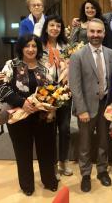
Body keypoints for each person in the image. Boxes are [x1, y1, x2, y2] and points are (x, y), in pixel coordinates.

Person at [0, 34, 58, 196]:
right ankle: (27, 185)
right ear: (21, 48)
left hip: (43, 117)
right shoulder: (11, 65)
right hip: (19, 118)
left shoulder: (45, 67)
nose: (31, 49)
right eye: (27, 46)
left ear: (38, 48)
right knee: (23, 152)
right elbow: (1, 88)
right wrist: (21, 102)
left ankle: (49, 180)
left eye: (34, 46)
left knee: (47, 151)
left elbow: (54, 90)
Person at [69, 18, 112, 192]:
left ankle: (102, 171)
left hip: (105, 106)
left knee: (104, 141)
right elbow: (75, 85)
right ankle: (86, 174)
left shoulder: (111, 54)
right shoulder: (78, 55)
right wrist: (81, 109)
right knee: (85, 143)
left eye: (99, 32)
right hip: (86, 108)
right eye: (92, 31)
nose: (95, 35)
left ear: (104, 33)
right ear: (87, 33)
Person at [40, 15, 72, 179]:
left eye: (58, 26)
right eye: (52, 25)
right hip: (46, 94)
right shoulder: (39, 46)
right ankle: (51, 164)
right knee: (49, 130)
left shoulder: (66, 46)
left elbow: (71, 66)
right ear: (46, 27)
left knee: (65, 128)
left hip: (64, 92)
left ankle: (63, 161)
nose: (55, 28)